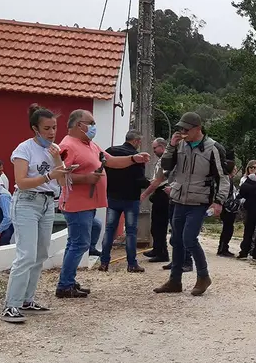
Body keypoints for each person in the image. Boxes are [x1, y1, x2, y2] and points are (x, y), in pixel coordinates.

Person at [56, 110, 150, 298]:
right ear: (78, 125)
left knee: (75, 242)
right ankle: (65, 285)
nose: (93, 127)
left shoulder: (90, 145)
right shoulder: (67, 146)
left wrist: (133, 159)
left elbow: (111, 161)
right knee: (80, 244)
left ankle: (68, 282)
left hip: (88, 203)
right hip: (77, 203)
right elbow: (60, 176)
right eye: (90, 123)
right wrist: (86, 178)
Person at [0, 104, 66, 323]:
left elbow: (64, 181)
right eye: (47, 128)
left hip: (47, 203)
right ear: (35, 128)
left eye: (54, 127)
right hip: (26, 202)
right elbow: (21, 181)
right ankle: (11, 305)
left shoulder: (54, 149)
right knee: (26, 254)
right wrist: (49, 176)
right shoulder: (24, 149)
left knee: (40, 254)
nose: (52, 132)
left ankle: (27, 299)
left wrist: (58, 161)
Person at [153, 111, 229, 296]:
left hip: (199, 201)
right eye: (180, 128)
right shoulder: (179, 146)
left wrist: (218, 202)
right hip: (179, 199)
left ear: (197, 129)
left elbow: (223, 178)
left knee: (189, 238)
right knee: (176, 240)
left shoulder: (213, 148)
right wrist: (171, 146)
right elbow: (165, 167)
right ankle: (175, 280)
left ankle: (203, 276)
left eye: (186, 129)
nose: (182, 131)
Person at [98, 131, 151, 273]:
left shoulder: (111, 151)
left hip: (113, 197)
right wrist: (150, 183)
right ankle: (132, 264)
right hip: (130, 199)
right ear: (135, 141)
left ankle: (104, 263)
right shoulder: (137, 158)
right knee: (131, 232)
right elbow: (139, 180)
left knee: (109, 230)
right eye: (139, 142)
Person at [142, 138, 171, 262]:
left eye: (155, 148)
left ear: (162, 147)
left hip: (164, 193)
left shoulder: (166, 160)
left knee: (159, 225)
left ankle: (162, 253)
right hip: (159, 192)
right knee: (155, 225)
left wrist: (144, 194)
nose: (153, 151)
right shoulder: (161, 160)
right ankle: (157, 249)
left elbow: (159, 180)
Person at [217, 160, 239, 257]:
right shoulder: (227, 180)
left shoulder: (227, 179)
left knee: (227, 228)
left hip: (228, 208)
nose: (236, 169)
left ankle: (223, 247)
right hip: (228, 208)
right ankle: (223, 248)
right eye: (234, 168)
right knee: (228, 228)